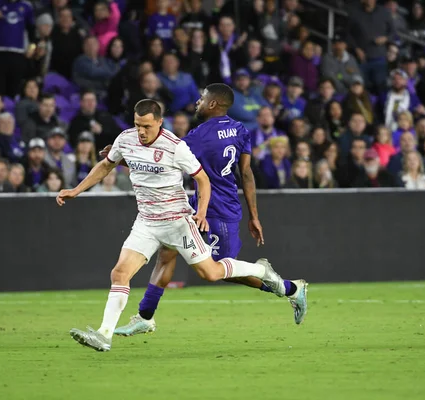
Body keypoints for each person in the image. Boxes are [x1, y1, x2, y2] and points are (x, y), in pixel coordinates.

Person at [58, 99, 295, 352]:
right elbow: (107, 164)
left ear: (159, 122)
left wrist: (201, 212)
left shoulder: (175, 146)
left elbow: (203, 180)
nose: (141, 131)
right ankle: (104, 335)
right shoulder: (125, 139)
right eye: (138, 125)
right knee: (119, 273)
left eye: (147, 126)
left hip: (178, 223)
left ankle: (262, 270)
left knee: (211, 273)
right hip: (146, 223)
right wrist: (77, 190)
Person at [0, 0, 35, 98]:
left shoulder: (26, 5)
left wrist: (32, 48)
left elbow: (32, 30)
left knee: (14, 89)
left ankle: (12, 110)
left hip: (17, 53)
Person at [347, 0, 393, 93]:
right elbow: (348, 34)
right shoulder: (354, 12)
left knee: (381, 88)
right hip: (361, 59)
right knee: (362, 89)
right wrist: (356, 48)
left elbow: (393, 33)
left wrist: (386, 38)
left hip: (379, 58)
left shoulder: (384, 12)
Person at [50, 7, 85, 80]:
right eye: (62, 16)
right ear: (58, 19)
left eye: (68, 16)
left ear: (72, 19)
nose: (65, 19)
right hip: (56, 73)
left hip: (75, 73)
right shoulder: (52, 34)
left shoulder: (78, 34)